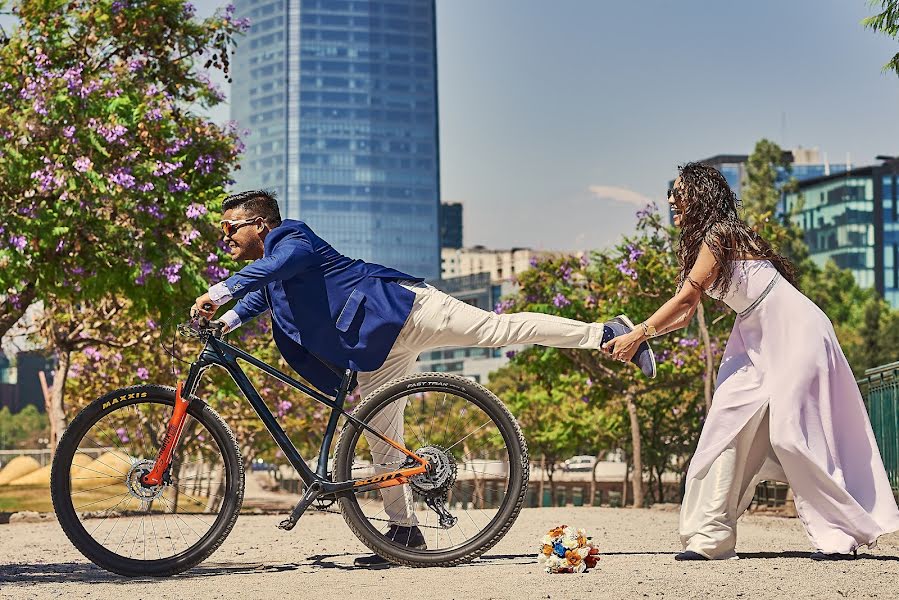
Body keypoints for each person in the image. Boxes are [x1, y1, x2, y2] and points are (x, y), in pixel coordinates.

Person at [193, 190, 657, 566]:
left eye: (230, 228)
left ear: (262, 225)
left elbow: (277, 266)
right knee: (379, 437)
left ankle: (606, 333)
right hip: (375, 349)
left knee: (498, 330)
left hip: (407, 310)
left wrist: (220, 290)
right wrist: (227, 319)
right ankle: (405, 531)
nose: (225, 238)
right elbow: (263, 295)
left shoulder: (290, 238)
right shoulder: (272, 270)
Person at [602, 162, 899, 561]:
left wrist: (638, 333)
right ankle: (710, 539)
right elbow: (685, 315)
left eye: (678, 191)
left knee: (790, 435)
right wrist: (643, 337)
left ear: (700, 195)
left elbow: (686, 301)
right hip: (754, 336)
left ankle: (841, 535)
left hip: (796, 331)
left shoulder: (719, 234)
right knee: (723, 429)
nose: (671, 199)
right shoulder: (700, 243)